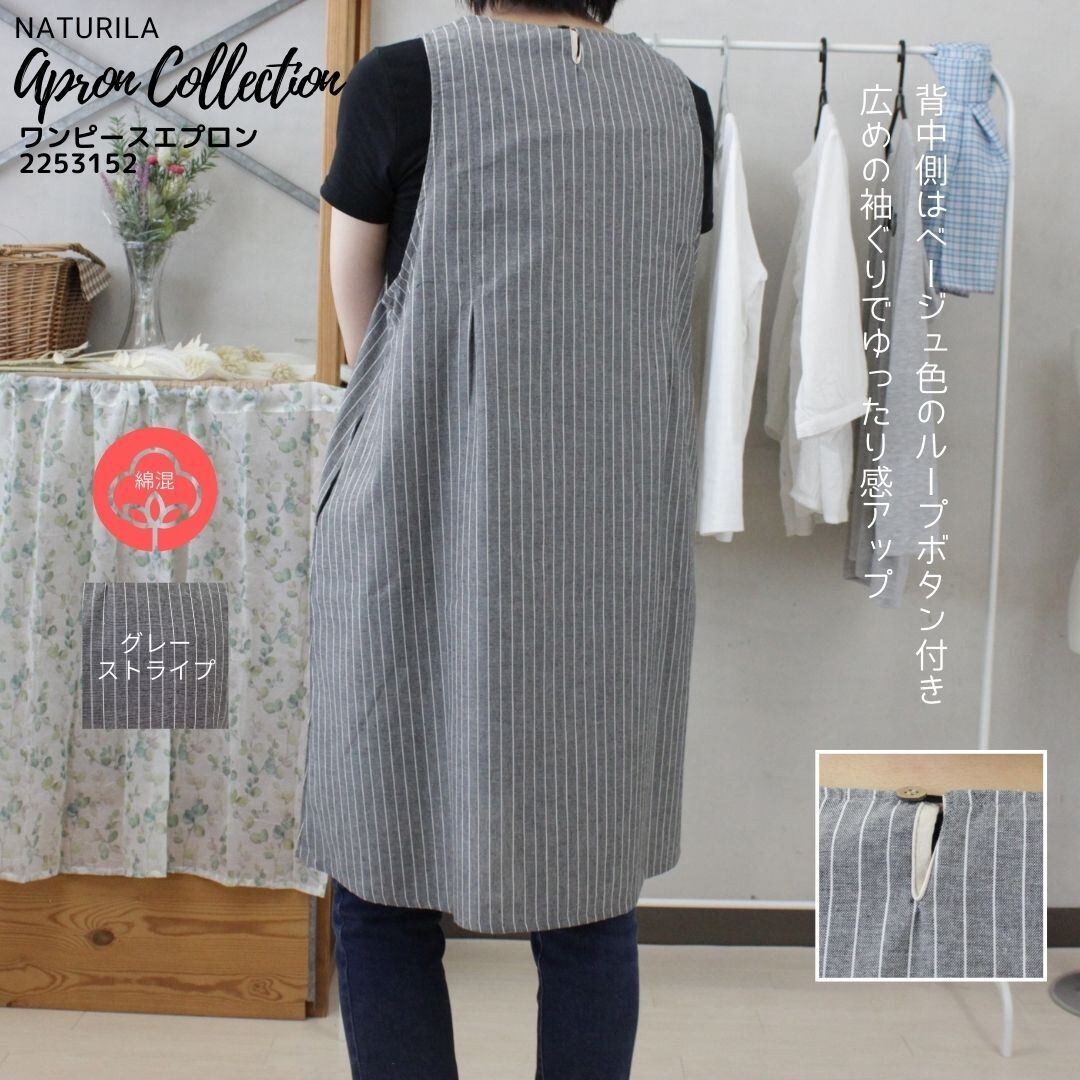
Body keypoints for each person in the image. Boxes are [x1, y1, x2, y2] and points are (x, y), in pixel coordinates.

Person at [297, 2, 714, 1076]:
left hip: (420, 505)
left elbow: (358, 307)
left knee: (382, 881)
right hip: (610, 531)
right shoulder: (681, 105)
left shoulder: (400, 82)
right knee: (589, 895)